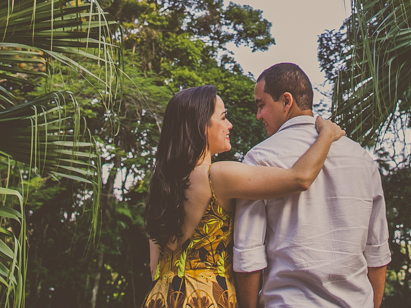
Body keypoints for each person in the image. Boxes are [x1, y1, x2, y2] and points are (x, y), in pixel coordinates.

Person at [143, 84, 346, 308]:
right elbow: (300, 178)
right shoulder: (217, 176)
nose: (229, 125)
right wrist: (326, 135)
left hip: (160, 296)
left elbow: (154, 267)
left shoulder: (161, 187)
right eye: (223, 118)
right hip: (206, 298)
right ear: (201, 125)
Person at [233, 63, 390, 308]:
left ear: (287, 100)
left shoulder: (260, 158)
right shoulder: (362, 159)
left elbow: (248, 254)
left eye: (261, 104)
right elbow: (377, 251)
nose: (258, 115)